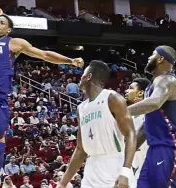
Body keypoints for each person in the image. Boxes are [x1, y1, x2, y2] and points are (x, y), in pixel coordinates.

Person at [0, 14, 83, 188]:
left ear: (9, 30)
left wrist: (70, 61)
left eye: (2, 23)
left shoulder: (14, 43)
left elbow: (44, 55)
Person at [58, 60, 137, 188]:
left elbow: (131, 133)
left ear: (88, 76)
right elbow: (80, 149)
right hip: (91, 168)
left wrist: (126, 171)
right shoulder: (81, 108)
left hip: (114, 164)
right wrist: (63, 183)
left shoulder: (112, 98)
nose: (80, 78)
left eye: (83, 75)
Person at [127, 46, 176, 188]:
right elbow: (144, 129)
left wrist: (120, 112)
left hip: (170, 147)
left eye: (152, 55)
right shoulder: (151, 87)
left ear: (160, 58)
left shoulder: (167, 80)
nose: (149, 58)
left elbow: (155, 103)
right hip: (154, 149)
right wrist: (125, 160)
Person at [124, 77, 151, 179]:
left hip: (147, 166)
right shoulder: (126, 115)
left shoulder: (152, 113)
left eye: (131, 88)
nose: (127, 90)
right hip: (131, 166)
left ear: (140, 93)